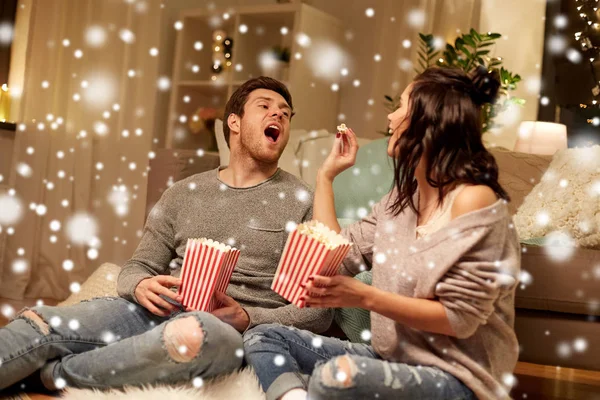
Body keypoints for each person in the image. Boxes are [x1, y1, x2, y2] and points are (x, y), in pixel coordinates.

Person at [0, 77, 333, 392]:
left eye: (285, 113)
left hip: (225, 331)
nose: (278, 114)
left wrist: (249, 317)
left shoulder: (303, 200)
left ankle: (54, 375)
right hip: (159, 309)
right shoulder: (182, 192)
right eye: (265, 106)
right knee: (39, 321)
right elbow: (138, 266)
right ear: (234, 122)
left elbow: (319, 312)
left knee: (193, 336)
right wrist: (140, 285)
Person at [243, 67, 521, 400]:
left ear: (428, 120)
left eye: (401, 106)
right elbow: (339, 256)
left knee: (335, 377)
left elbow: (459, 319)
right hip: (390, 361)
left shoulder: (474, 200)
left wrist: (363, 297)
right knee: (264, 337)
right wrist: (325, 177)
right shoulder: (400, 203)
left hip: (457, 377)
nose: (390, 117)